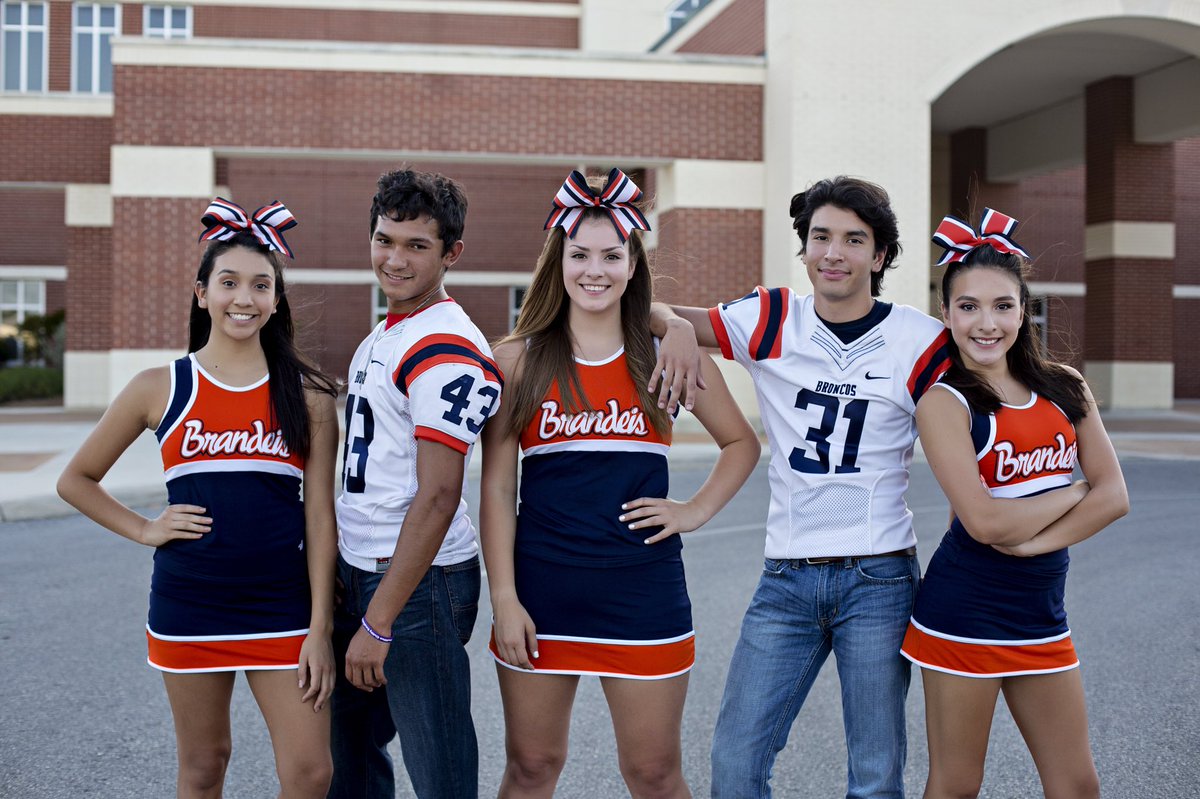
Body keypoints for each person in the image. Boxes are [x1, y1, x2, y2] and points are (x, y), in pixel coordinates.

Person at [650, 176, 951, 798]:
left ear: (880, 255)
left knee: (874, 775)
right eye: (820, 236)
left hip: (880, 577)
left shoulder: (920, 340)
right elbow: (644, 313)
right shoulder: (773, 317)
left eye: (853, 239)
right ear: (805, 245)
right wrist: (673, 326)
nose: (833, 252)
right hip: (786, 578)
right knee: (735, 763)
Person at [480, 169, 760, 798]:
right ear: (559, 262)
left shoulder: (668, 354)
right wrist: (503, 595)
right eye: (579, 255)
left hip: (643, 594)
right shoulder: (516, 359)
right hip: (541, 592)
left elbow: (741, 443)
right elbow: (498, 488)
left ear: (634, 264)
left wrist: (693, 510)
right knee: (531, 767)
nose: (595, 270)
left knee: (654, 773)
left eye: (612, 255)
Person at [57, 198, 340, 799]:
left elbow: (320, 517)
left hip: (283, 608)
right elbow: (75, 479)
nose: (245, 297)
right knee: (205, 766)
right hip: (192, 605)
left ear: (276, 298)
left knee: (312, 772)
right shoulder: (161, 387)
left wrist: (320, 625)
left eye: (261, 285)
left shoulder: (309, 395)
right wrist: (144, 529)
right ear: (201, 292)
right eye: (230, 282)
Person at [900, 210, 1129, 799]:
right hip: (963, 614)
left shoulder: (1065, 387)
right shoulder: (945, 404)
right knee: (957, 785)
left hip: (1041, 613)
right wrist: (1073, 490)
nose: (986, 322)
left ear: (1023, 310)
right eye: (968, 306)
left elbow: (1115, 497)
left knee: (1077, 785)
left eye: (1002, 305)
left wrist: (1032, 542)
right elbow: (982, 522)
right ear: (946, 314)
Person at [328, 168, 500, 799]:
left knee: (441, 770)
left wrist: (378, 622)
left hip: (415, 585)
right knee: (347, 751)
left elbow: (438, 494)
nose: (394, 260)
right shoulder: (386, 332)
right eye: (384, 239)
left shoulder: (446, 344)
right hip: (364, 568)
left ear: (451, 253)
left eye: (416, 246)